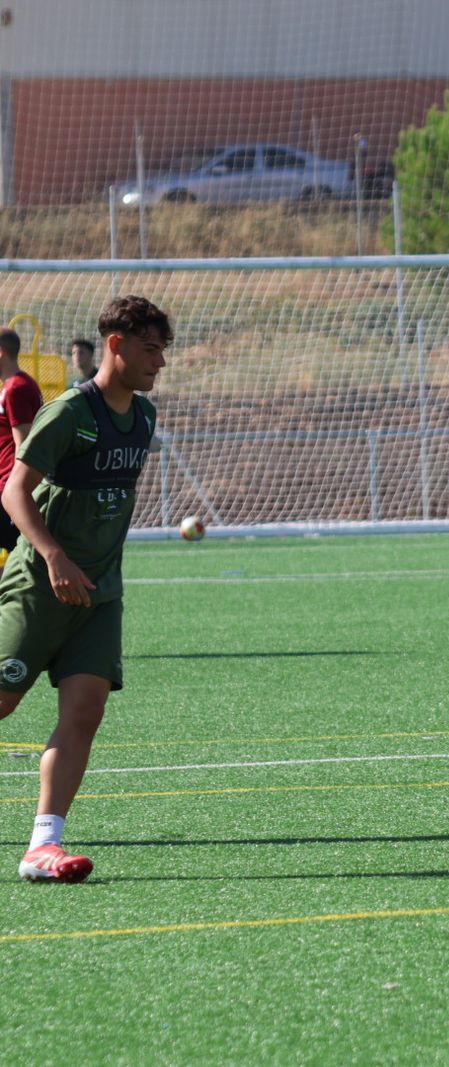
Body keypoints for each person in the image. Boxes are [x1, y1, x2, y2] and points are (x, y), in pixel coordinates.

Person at [0, 296, 169, 882]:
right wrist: (55, 558)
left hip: (99, 595)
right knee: (3, 702)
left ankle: (42, 847)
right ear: (116, 345)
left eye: (164, 350)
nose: (160, 361)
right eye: (151, 348)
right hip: (41, 585)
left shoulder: (143, 417)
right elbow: (14, 492)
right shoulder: (70, 411)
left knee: (86, 710)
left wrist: (95, 573)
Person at [0, 328, 45, 555]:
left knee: (21, 555)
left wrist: (16, 491)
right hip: (8, 484)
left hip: (9, 487)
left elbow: (24, 444)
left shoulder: (16, 388)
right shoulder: (17, 385)